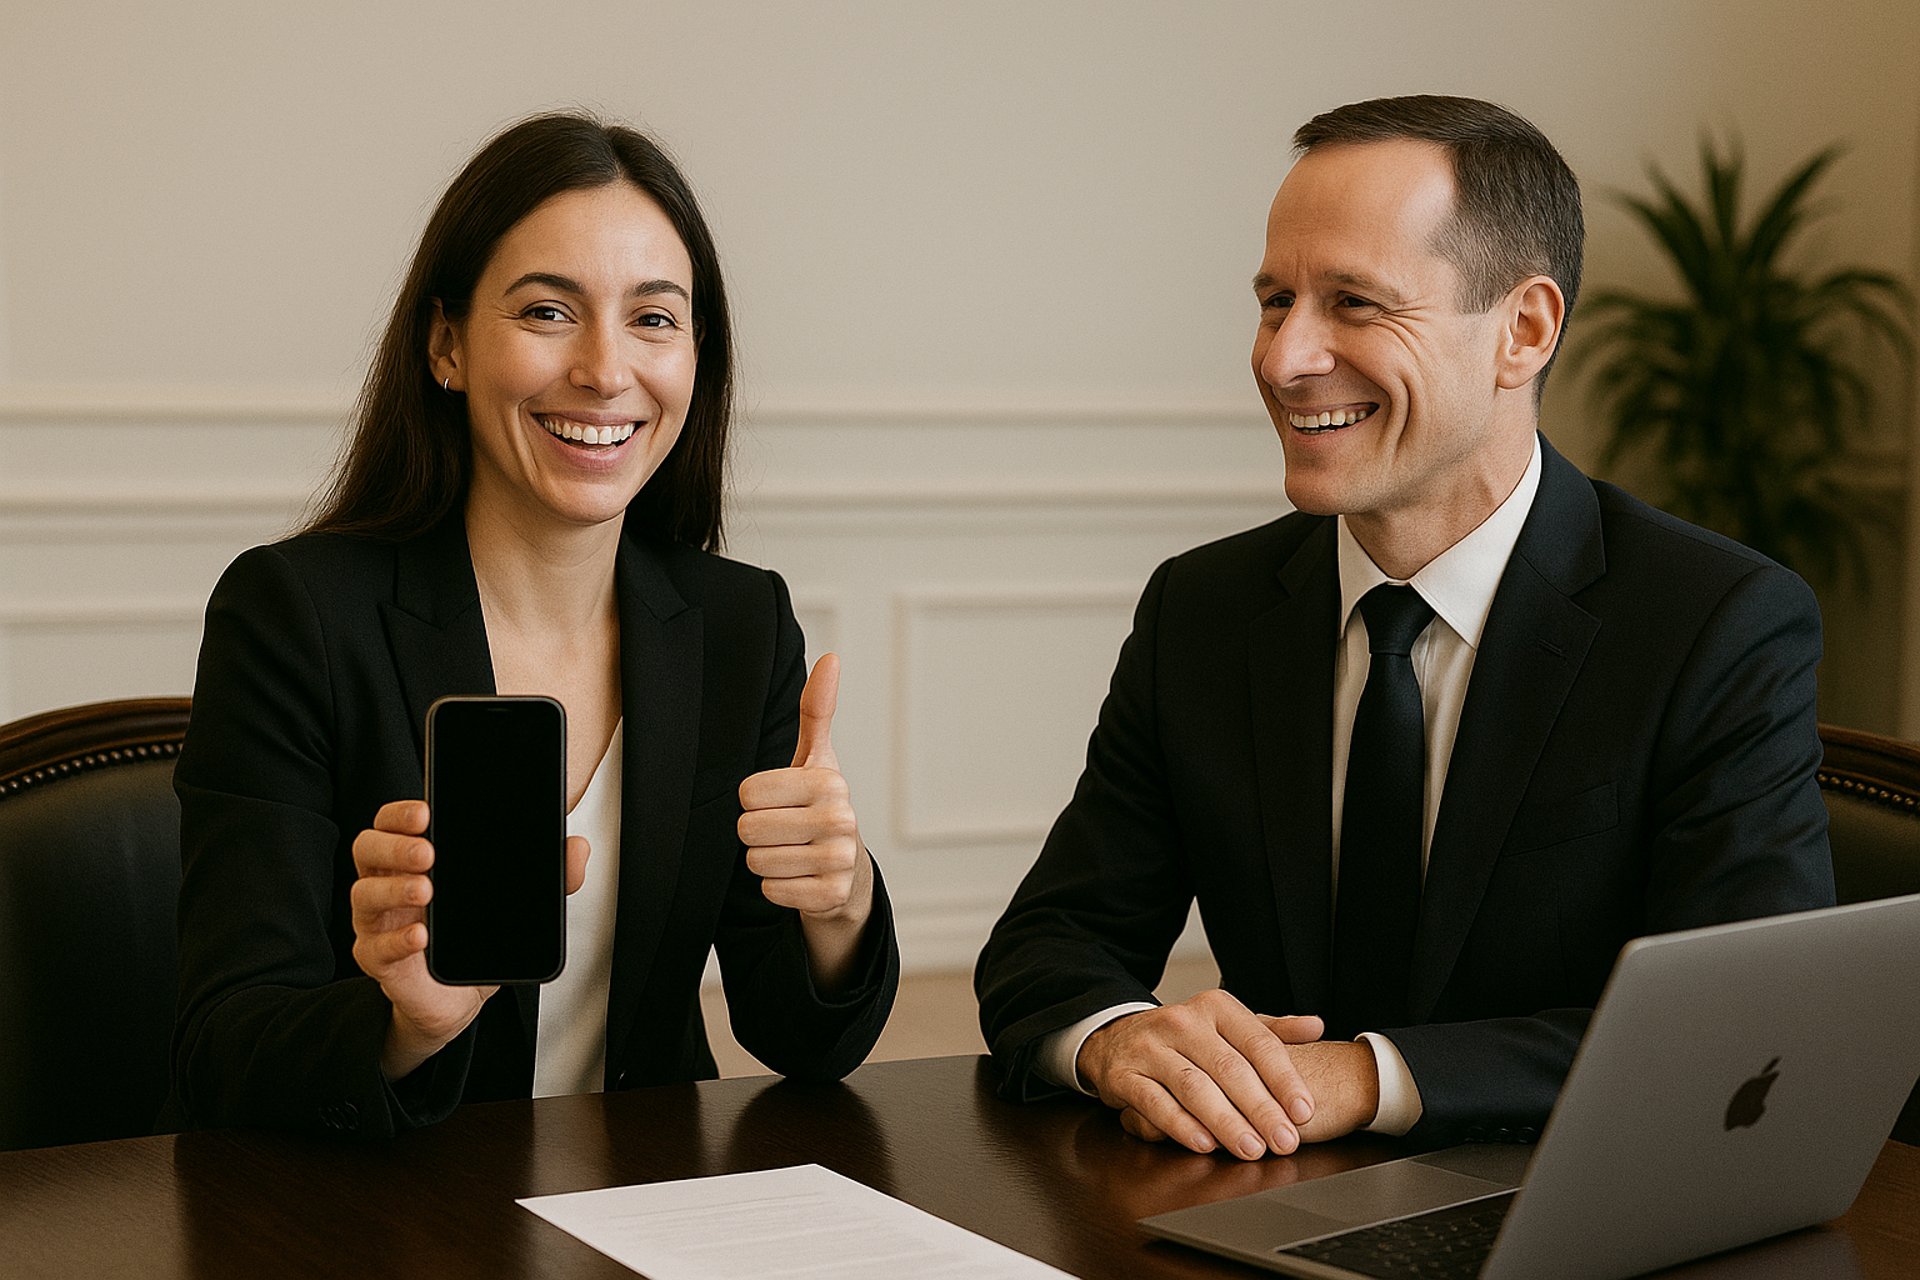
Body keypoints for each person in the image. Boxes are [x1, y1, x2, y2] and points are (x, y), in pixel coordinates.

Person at [974, 95, 1832, 1160]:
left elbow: (1739, 1024)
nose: (1285, 358)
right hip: (1253, 1216)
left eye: (1355, 304)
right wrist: (1118, 1038)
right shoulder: (1203, 610)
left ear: (1523, 330)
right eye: (1275, 299)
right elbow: (1050, 942)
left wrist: (1367, 1075)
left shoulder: (1716, 622)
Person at [170, 114, 898, 1138]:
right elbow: (221, 1058)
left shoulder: (739, 624)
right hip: (385, 1222)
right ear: (446, 345)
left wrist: (838, 900)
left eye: (654, 319)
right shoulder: (297, 616)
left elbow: (804, 1036)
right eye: (549, 310)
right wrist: (404, 1024)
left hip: (644, 1211)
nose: (606, 370)